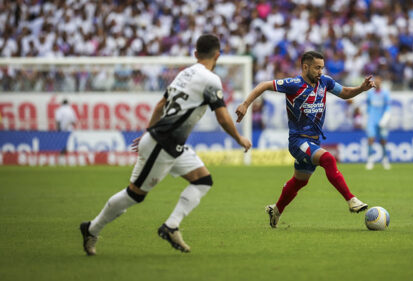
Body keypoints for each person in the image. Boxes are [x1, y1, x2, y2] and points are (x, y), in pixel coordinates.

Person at [79, 34, 252, 255]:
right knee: (134, 195)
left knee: (203, 180)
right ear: (218, 55)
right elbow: (222, 117)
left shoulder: (184, 74)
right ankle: (92, 228)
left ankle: (171, 226)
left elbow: (161, 104)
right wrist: (239, 138)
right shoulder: (211, 80)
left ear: (195, 54)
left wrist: (148, 131)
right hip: (162, 142)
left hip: (168, 142)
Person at [235, 50, 374, 228]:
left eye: (322, 68)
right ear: (305, 67)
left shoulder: (325, 82)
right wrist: (245, 104)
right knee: (328, 159)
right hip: (298, 141)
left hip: (313, 141)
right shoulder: (293, 84)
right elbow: (264, 85)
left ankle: (276, 210)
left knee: (300, 181)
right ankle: (351, 200)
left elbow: (345, 92)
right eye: (317, 68)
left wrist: (361, 89)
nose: (320, 72)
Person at [365, 75, 391, 170]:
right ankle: (370, 160)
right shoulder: (370, 94)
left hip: (382, 120)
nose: (377, 83)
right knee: (370, 139)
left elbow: (388, 107)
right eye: (376, 81)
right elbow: (368, 106)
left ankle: (385, 159)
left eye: (379, 81)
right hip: (372, 120)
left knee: (383, 141)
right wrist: (367, 117)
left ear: (381, 82)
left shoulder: (385, 93)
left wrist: (385, 119)